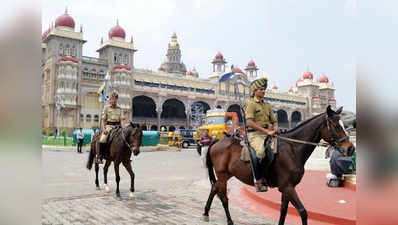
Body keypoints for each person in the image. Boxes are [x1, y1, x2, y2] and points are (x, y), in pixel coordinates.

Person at [245, 77, 278, 192]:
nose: (263, 91)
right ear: (255, 91)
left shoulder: (267, 105)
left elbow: (274, 120)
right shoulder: (251, 104)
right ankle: (258, 180)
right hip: (255, 134)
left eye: (264, 89)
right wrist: (266, 131)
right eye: (261, 89)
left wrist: (275, 128)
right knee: (260, 152)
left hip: (267, 133)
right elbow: (249, 122)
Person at [97, 91, 125, 164]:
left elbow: (122, 120)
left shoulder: (120, 108)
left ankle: (125, 157)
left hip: (118, 127)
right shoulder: (106, 108)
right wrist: (104, 129)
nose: (113, 101)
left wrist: (123, 129)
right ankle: (100, 156)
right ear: (110, 100)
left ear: (116, 100)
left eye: (115, 100)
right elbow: (103, 119)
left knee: (125, 138)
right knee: (102, 139)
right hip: (109, 126)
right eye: (112, 100)